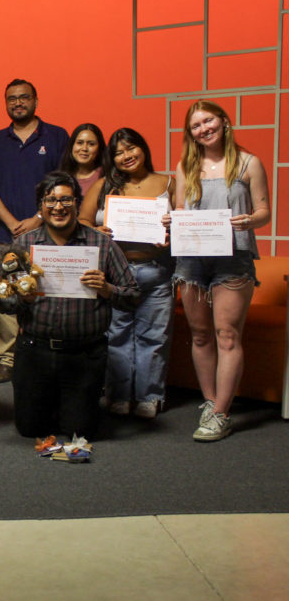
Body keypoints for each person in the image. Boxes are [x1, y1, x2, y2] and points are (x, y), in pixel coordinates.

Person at [0, 171, 138, 440]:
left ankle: (71, 405)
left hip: (83, 355)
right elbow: (4, 300)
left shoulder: (102, 245)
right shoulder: (24, 245)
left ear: (77, 204)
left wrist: (107, 289)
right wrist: (21, 298)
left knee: (79, 431)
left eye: (66, 200)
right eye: (50, 201)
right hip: (35, 351)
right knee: (29, 430)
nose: (58, 207)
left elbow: (132, 296)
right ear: (41, 207)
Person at [172, 100, 271, 441]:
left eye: (208, 120)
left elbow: (264, 211)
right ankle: (211, 403)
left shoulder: (248, 162)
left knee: (227, 335)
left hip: (234, 256)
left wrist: (250, 220)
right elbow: (181, 209)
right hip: (192, 256)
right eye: (196, 126)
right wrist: (172, 218)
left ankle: (222, 413)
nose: (203, 129)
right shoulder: (186, 165)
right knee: (200, 334)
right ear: (191, 134)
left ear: (224, 121)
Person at [79, 128, 175, 419]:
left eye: (131, 148)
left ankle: (149, 396)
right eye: (118, 152)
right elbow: (82, 221)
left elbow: (184, 219)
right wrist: (98, 230)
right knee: (117, 335)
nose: (126, 156)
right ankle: (119, 394)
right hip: (116, 273)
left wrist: (173, 229)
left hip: (157, 270)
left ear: (143, 148)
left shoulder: (168, 182)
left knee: (154, 337)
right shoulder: (105, 185)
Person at [0, 79, 69, 383]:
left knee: (44, 290)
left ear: (35, 100)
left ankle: (42, 352)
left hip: (46, 231)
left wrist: (37, 218)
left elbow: (62, 184)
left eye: (24, 98)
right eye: (12, 99)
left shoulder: (56, 137)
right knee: (5, 294)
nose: (18, 103)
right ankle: (7, 357)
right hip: (6, 233)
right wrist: (9, 221)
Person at [59, 123, 108, 197]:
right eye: (79, 143)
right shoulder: (61, 177)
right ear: (72, 146)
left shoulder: (106, 178)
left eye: (91, 144)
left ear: (99, 149)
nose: (84, 148)